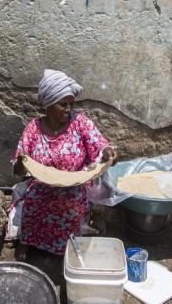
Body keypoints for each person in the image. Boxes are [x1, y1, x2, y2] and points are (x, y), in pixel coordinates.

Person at [11, 69, 117, 259]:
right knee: (33, 202)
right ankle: (27, 241)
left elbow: (99, 144)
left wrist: (107, 152)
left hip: (73, 188)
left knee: (70, 207)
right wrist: (21, 161)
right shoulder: (33, 128)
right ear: (49, 104)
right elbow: (18, 171)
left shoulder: (79, 123)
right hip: (42, 186)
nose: (69, 109)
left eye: (71, 104)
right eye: (63, 104)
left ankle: (65, 250)